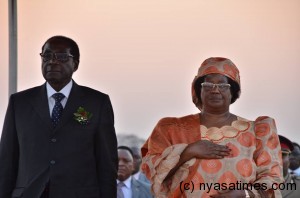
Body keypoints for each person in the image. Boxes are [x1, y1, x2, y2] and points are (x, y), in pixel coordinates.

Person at [141, 57, 283, 197]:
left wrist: (245, 194)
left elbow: (272, 179)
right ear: (199, 90)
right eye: (208, 85)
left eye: (223, 86)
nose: (215, 90)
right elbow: (153, 173)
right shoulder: (171, 128)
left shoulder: (258, 131)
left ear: (232, 92)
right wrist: (188, 151)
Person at [0, 35, 118, 198]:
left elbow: (107, 163)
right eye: (47, 56)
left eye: (61, 57)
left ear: (75, 64)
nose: (52, 61)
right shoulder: (19, 103)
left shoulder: (96, 102)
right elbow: (7, 160)